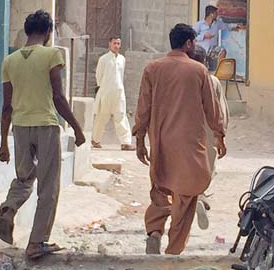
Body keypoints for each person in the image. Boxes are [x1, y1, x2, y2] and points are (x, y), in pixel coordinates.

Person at [0, 10, 86, 260]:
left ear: (27, 31)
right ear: (48, 33)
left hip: (20, 127)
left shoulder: (9, 61)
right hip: (45, 125)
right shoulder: (51, 55)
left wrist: (3, 142)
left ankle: (9, 208)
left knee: (24, 178)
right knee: (48, 186)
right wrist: (77, 127)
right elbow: (58, 97)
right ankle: (37, 242)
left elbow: (6, 107)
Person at [133, 23, 226, 255]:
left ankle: (154, 231)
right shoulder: (198, 71)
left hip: (161, 143)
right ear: (188, 43)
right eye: (193, 42)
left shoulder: (152, 69)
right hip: (189, 146)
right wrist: (219, 135)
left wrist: (139, 139)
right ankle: (174, 249)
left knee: (160, 189)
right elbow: (212, 110)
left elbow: (143, 107)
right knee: (186, 196)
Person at [188, 45, 229, 230]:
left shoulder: (183, 78)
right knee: (209, 166)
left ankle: (189, 199)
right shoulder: (213, 81)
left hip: (186, 131)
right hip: (209, 131)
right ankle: (200, 195)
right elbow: (221, 111)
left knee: (187, 167)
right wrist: (221, 134)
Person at [92, 36, 134, 151]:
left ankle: (126, 142)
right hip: (106, 92)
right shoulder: (103, 59)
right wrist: (103, 89)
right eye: (114, 43)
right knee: (102, 116)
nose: (116, 46)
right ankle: (95, 140)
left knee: (121, 115)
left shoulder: (122, 59)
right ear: (109, 44)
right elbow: (98, 76)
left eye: (118, 44)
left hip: (119, 92)